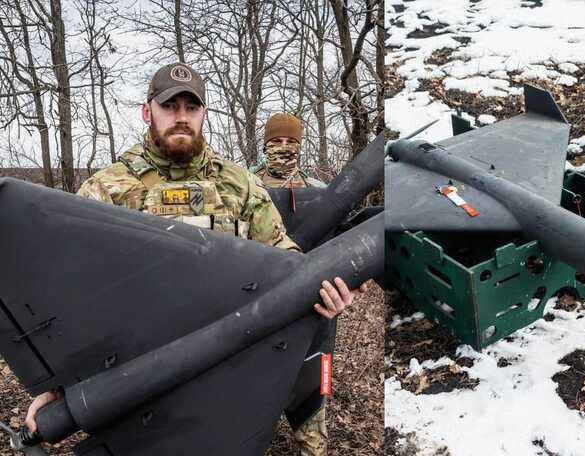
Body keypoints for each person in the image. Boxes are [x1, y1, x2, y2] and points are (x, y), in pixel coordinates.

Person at [23, 63, 365, 456]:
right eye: (170, 106)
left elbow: (284, 259)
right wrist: (55, 386)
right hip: (142, 380)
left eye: (191, 106)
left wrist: (323, 291)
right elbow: (70, 297)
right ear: (147, 112)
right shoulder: (106, 191)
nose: (182, 117)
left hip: (225, 375)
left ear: (203, 113)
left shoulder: (239, 185)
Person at [255, 113, 307, 188]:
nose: (284, 146)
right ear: (266, 146)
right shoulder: (248, 184)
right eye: (277, 141)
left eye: (291, 142)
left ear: (299, 148)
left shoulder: (314, 188)